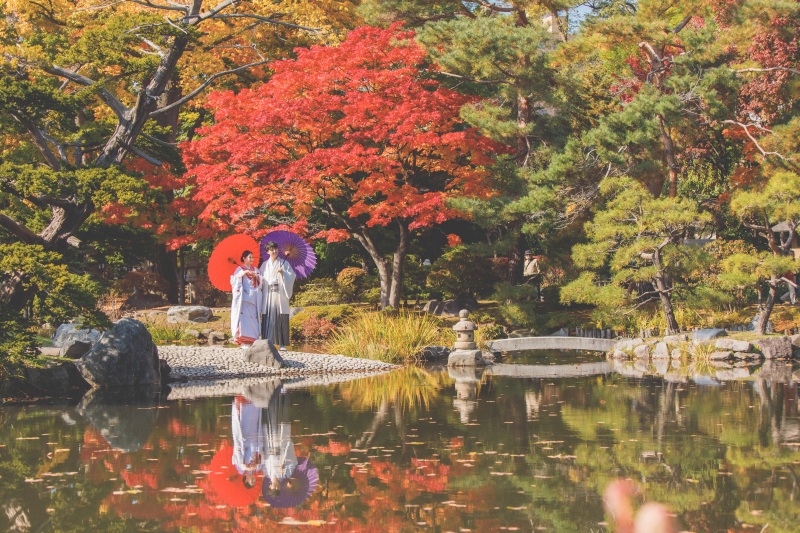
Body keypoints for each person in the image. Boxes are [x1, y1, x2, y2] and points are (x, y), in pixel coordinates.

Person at [260, 241, 296, 350]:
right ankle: (267, 342)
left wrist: (283, 273)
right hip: (269, 294)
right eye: (271, 250)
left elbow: (292, 276)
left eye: (275, 249)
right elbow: (260, 278)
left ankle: (282, 344)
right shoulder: (264, 265)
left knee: (280, 317)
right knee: (269, 317)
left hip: (280, 293)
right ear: (268, 252)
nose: (274, 251)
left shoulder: (284, 263)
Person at [263, 385, 297, 497]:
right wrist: (285, 463)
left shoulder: (266, 472)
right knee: (283, 420)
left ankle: (270, 392)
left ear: (270, 486)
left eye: (274, 488)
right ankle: (283, 392)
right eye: (277, 489)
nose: (276, 487)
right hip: (282, 443)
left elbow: (264, 458)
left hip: (271, 442)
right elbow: (293, 461)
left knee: (271, 417)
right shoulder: (286, 474)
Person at [231, 395, 265, 488]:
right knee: (255, 417)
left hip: (244, 440)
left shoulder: (241, 470)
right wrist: (257, 462)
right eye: (254, 482)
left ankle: (243, 398)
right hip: (255, 438)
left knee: (244, 419)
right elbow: (261, 457)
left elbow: (237, 456)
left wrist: (245, 466)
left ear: (246, 479)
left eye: (251, 481)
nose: (253, 480)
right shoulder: (257, 469)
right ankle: (254, 397)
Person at [230, 250, 262, 347]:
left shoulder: (256, 270)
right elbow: (234, 282)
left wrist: (256, 276)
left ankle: (253, 341)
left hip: (254, 298)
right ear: (244, 258)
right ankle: (243, 341)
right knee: (244, 320)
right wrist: (241, 274)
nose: (251, 259)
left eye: (252, 257)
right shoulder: (239, 269)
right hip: (243, 299)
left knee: (253, 318)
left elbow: (261, 282)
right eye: (249, 257)